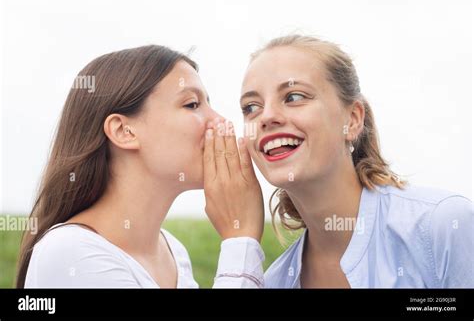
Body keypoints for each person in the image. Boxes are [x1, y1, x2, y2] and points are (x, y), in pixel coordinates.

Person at [18, 45, 265, 288]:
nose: (220, 121)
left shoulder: (174, 253)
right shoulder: (70, 252)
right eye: (192, 104)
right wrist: (240, 240)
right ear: (123, 131)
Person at [238, 34, 474, 288]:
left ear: (352, 119)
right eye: (251, 107)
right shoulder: (274, 282)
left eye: (294, 97)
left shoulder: (442, 225)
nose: (267, 116)